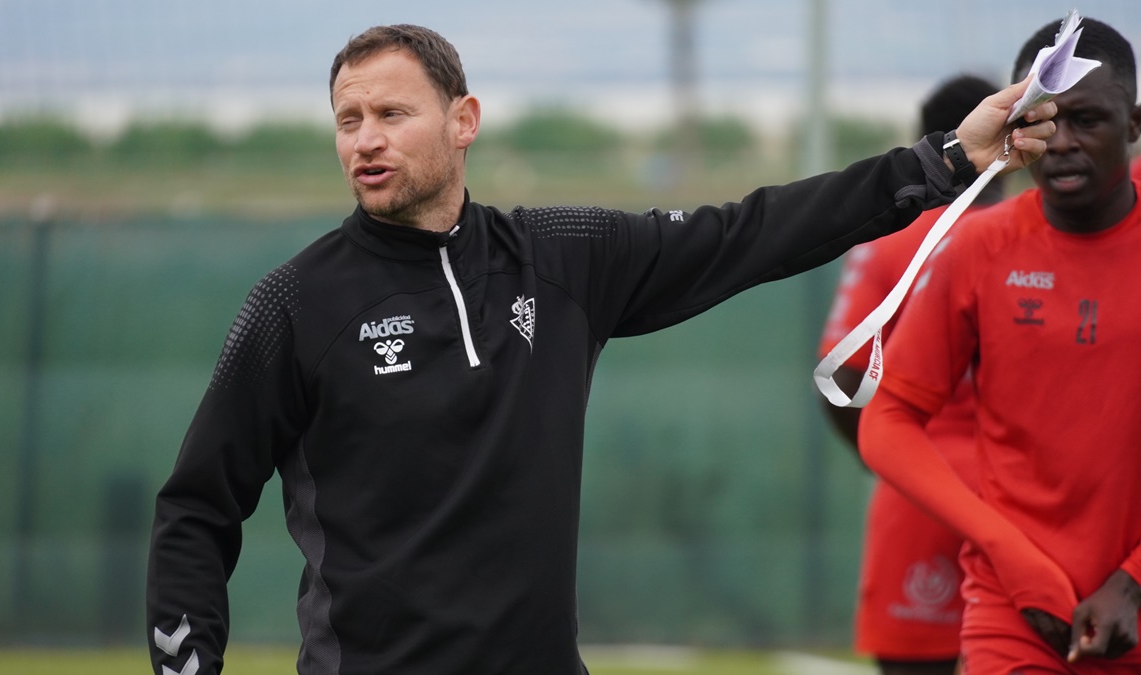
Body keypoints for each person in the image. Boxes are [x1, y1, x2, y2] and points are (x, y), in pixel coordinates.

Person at [145, 24, 1055, 675]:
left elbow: (749, 231)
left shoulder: (560, 256)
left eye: (391, 112)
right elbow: (195, 506)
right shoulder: (294, 303)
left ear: (464, 121)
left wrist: (938, 163)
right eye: (348, 121)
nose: (366, 140)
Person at [859, 17, 1141, 673]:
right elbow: (888, 418)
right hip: (1016, 614)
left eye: (1088, 121)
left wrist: (1132, 578)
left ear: (1133, 124)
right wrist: (1009, 554)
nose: (1062, 143)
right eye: (1040, 122)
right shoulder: (979, 248)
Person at [817, 74, 1002, 675]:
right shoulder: (1040, 235)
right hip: (1028, 503)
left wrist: (889, 459)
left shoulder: (891, 241)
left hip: (920, 495)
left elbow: (841, 379)